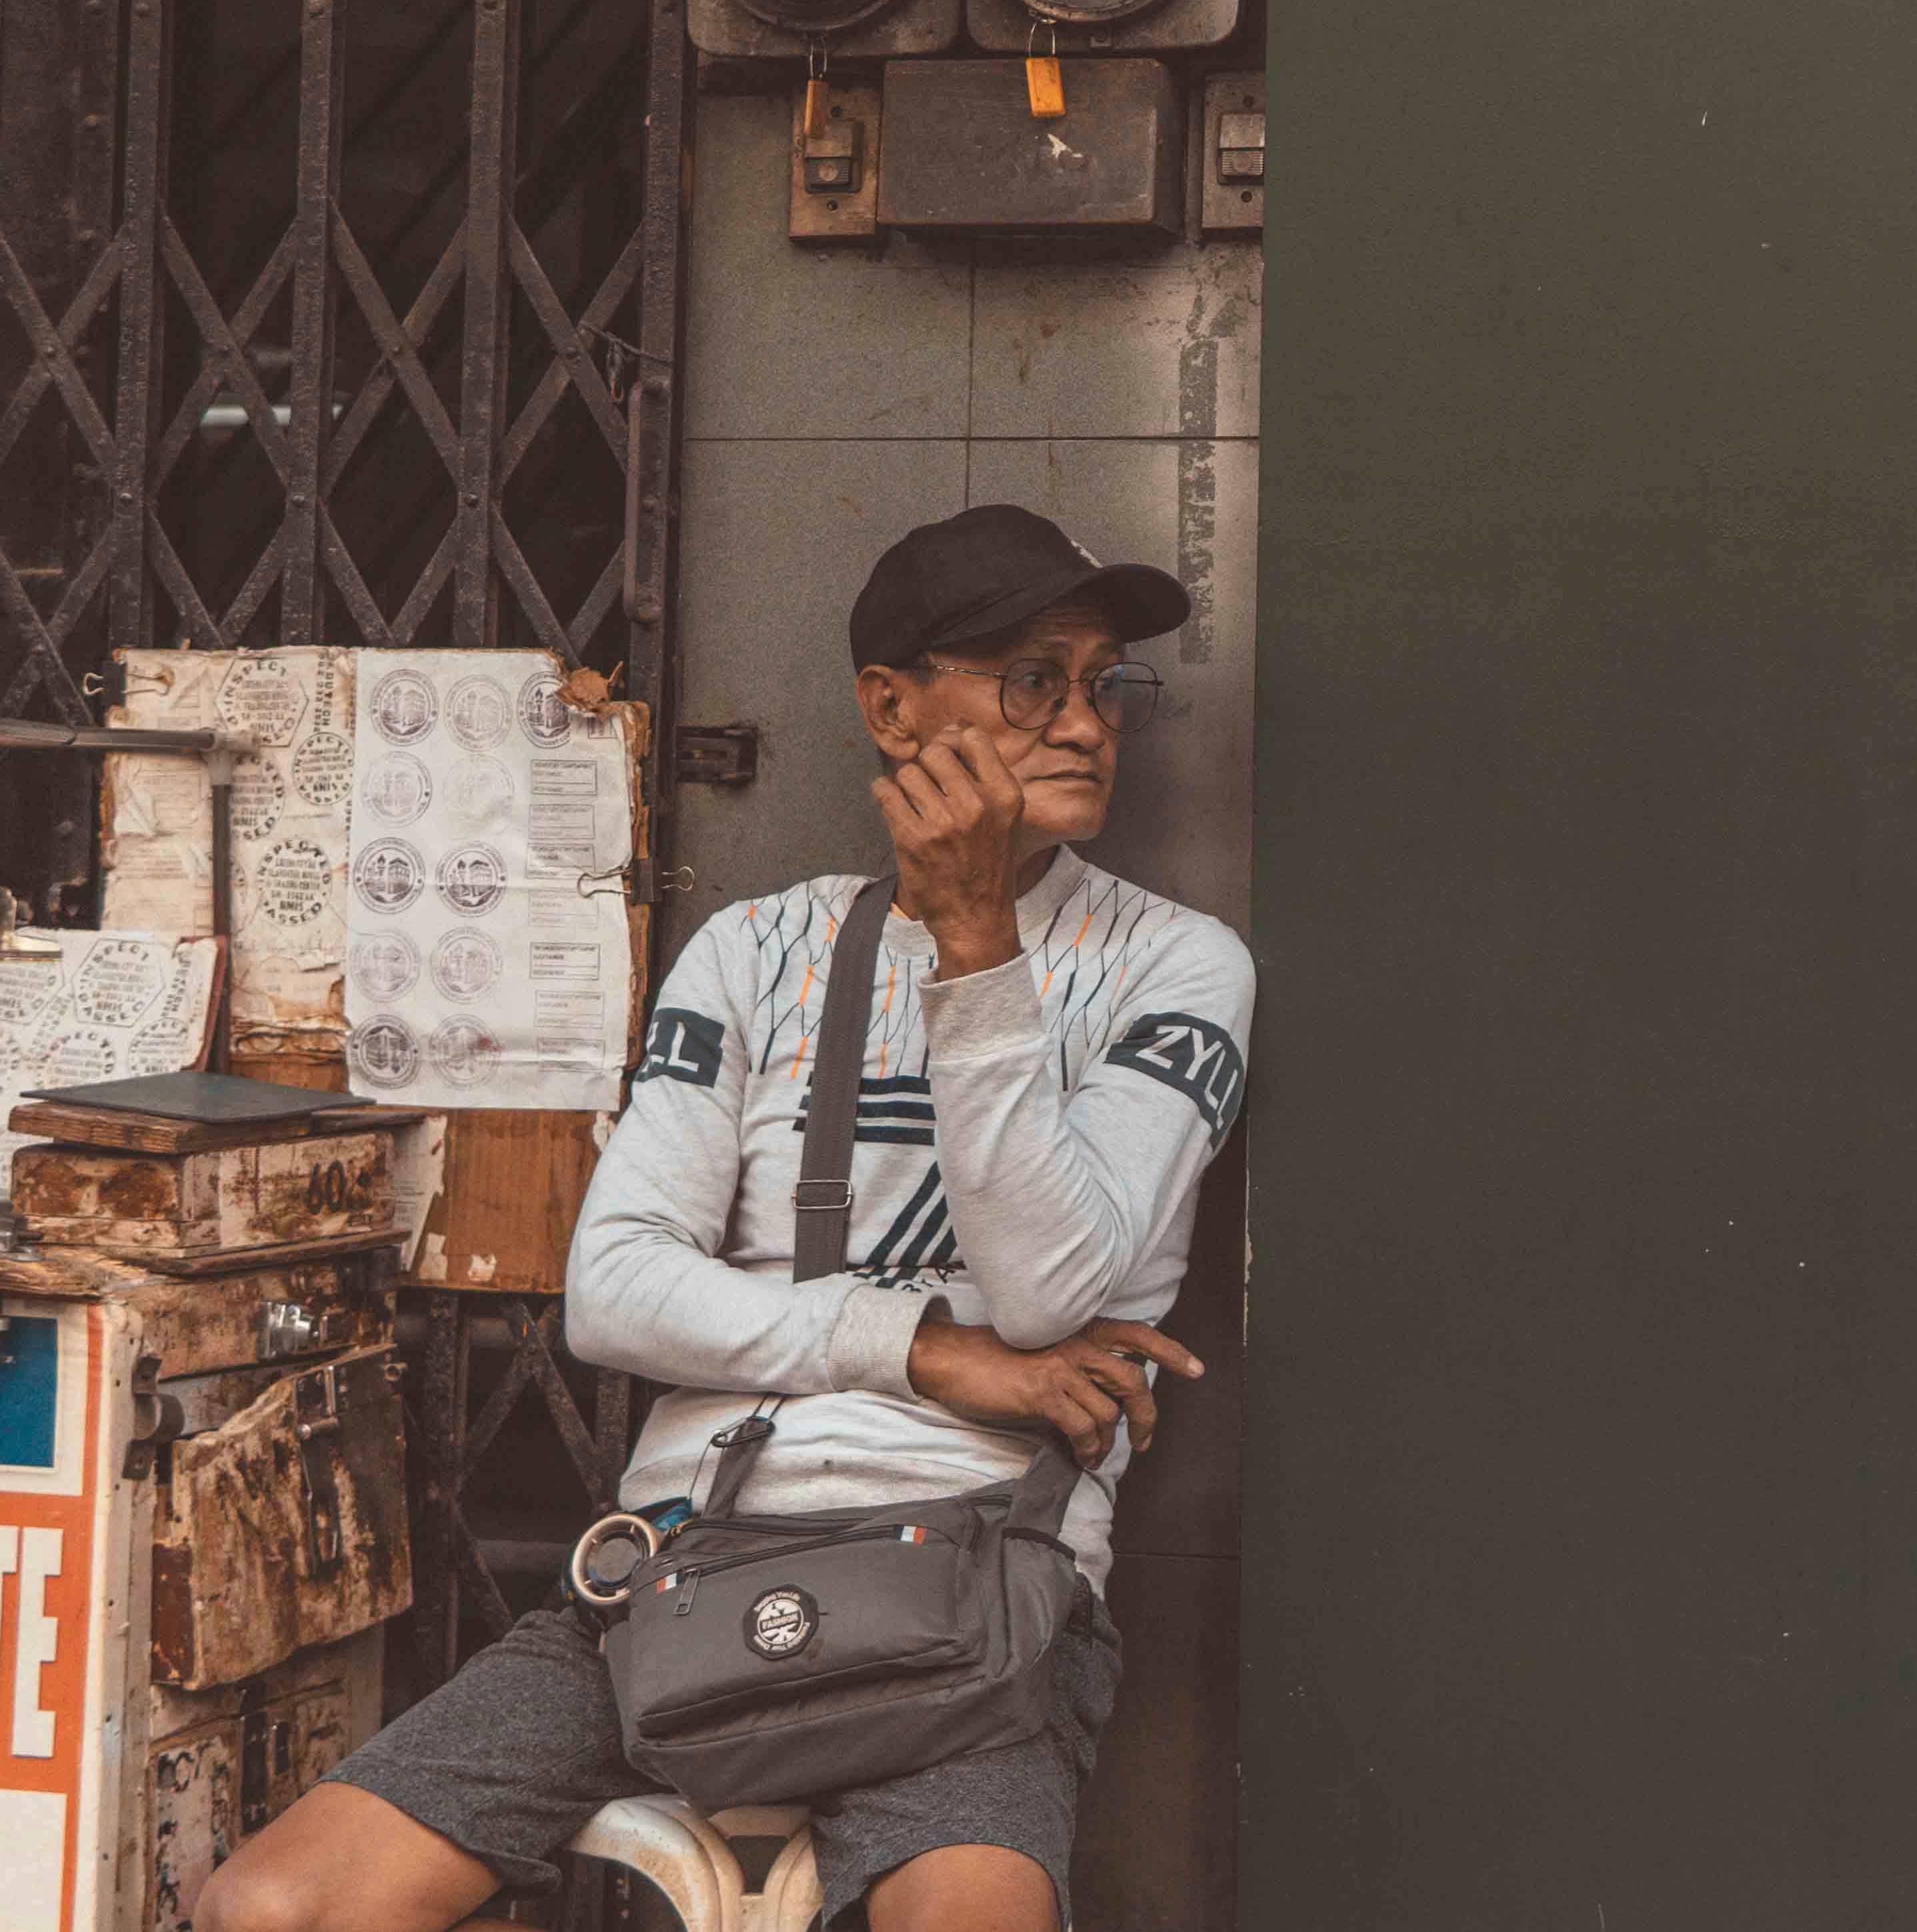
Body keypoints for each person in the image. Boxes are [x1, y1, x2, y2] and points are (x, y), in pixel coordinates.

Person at [196, 503, 1256, 1932]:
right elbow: (617, 1294)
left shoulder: (1175, 966)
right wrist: (932, 1351)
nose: (1082, 722)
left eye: (1101, 682)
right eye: (1029, 679)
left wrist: (978, 957)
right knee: (274, 1908)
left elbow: (1059, 1290)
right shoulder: (759, 950)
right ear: (890, 707)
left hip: (984, 1588)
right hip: (684, 1566)